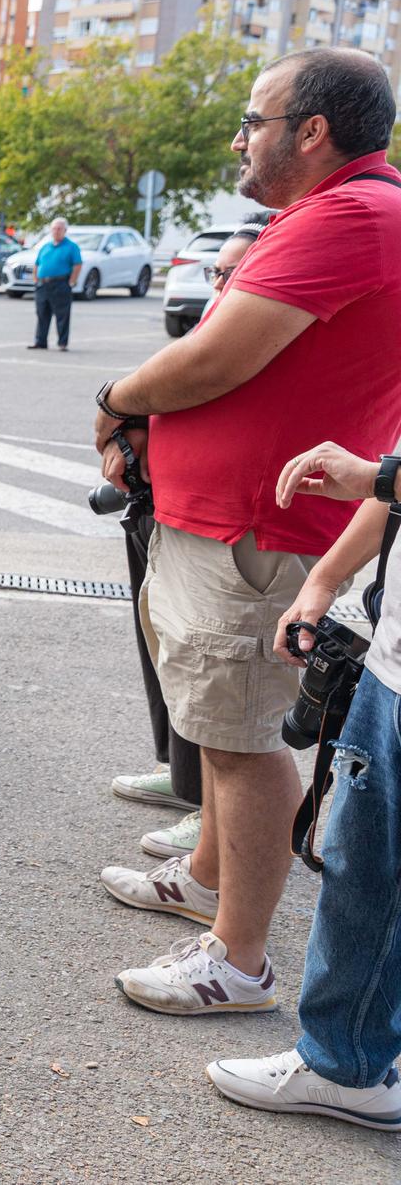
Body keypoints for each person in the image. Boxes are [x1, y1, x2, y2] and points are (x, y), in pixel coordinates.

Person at [92, 47, 401, 1018]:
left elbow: (217, 356)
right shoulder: (340, 212)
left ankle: (238, 960)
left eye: (251, 120)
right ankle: (203, 877)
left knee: (240, 741)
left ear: (311, 131)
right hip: (236, 522)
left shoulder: (350, 213)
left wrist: (113, 397)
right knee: (220, 720)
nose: (237, 138)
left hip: (254, 531)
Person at [204, 437, 401, 1129]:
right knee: (364, 869)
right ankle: (343, 1063)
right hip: (394, 660)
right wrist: (321, 583)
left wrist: (380, 474)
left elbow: (392, 479)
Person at [111, 225, 264, 862]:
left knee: (223, 690)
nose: (222, 285)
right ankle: (183, 778)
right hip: (164, 505)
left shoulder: (258, 331)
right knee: (166, 654)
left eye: (235, 274)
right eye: (216, 274)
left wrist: (114, 402)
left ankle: (208, 816)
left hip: (223, 526)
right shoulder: (218, 323)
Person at [29, 217, 81, 350]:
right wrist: (36, 279)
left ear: (65, 230)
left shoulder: (71, 247)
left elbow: (77, 264)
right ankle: (40, 341)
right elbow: (37, 264)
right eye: (54, 229)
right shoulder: (45, 247)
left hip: (60, 284)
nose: (56, 231)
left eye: (59, 229)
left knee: (62, 315)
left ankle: (62, 343)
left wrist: (72, 281)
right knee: (42, 314)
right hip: (43, 284)